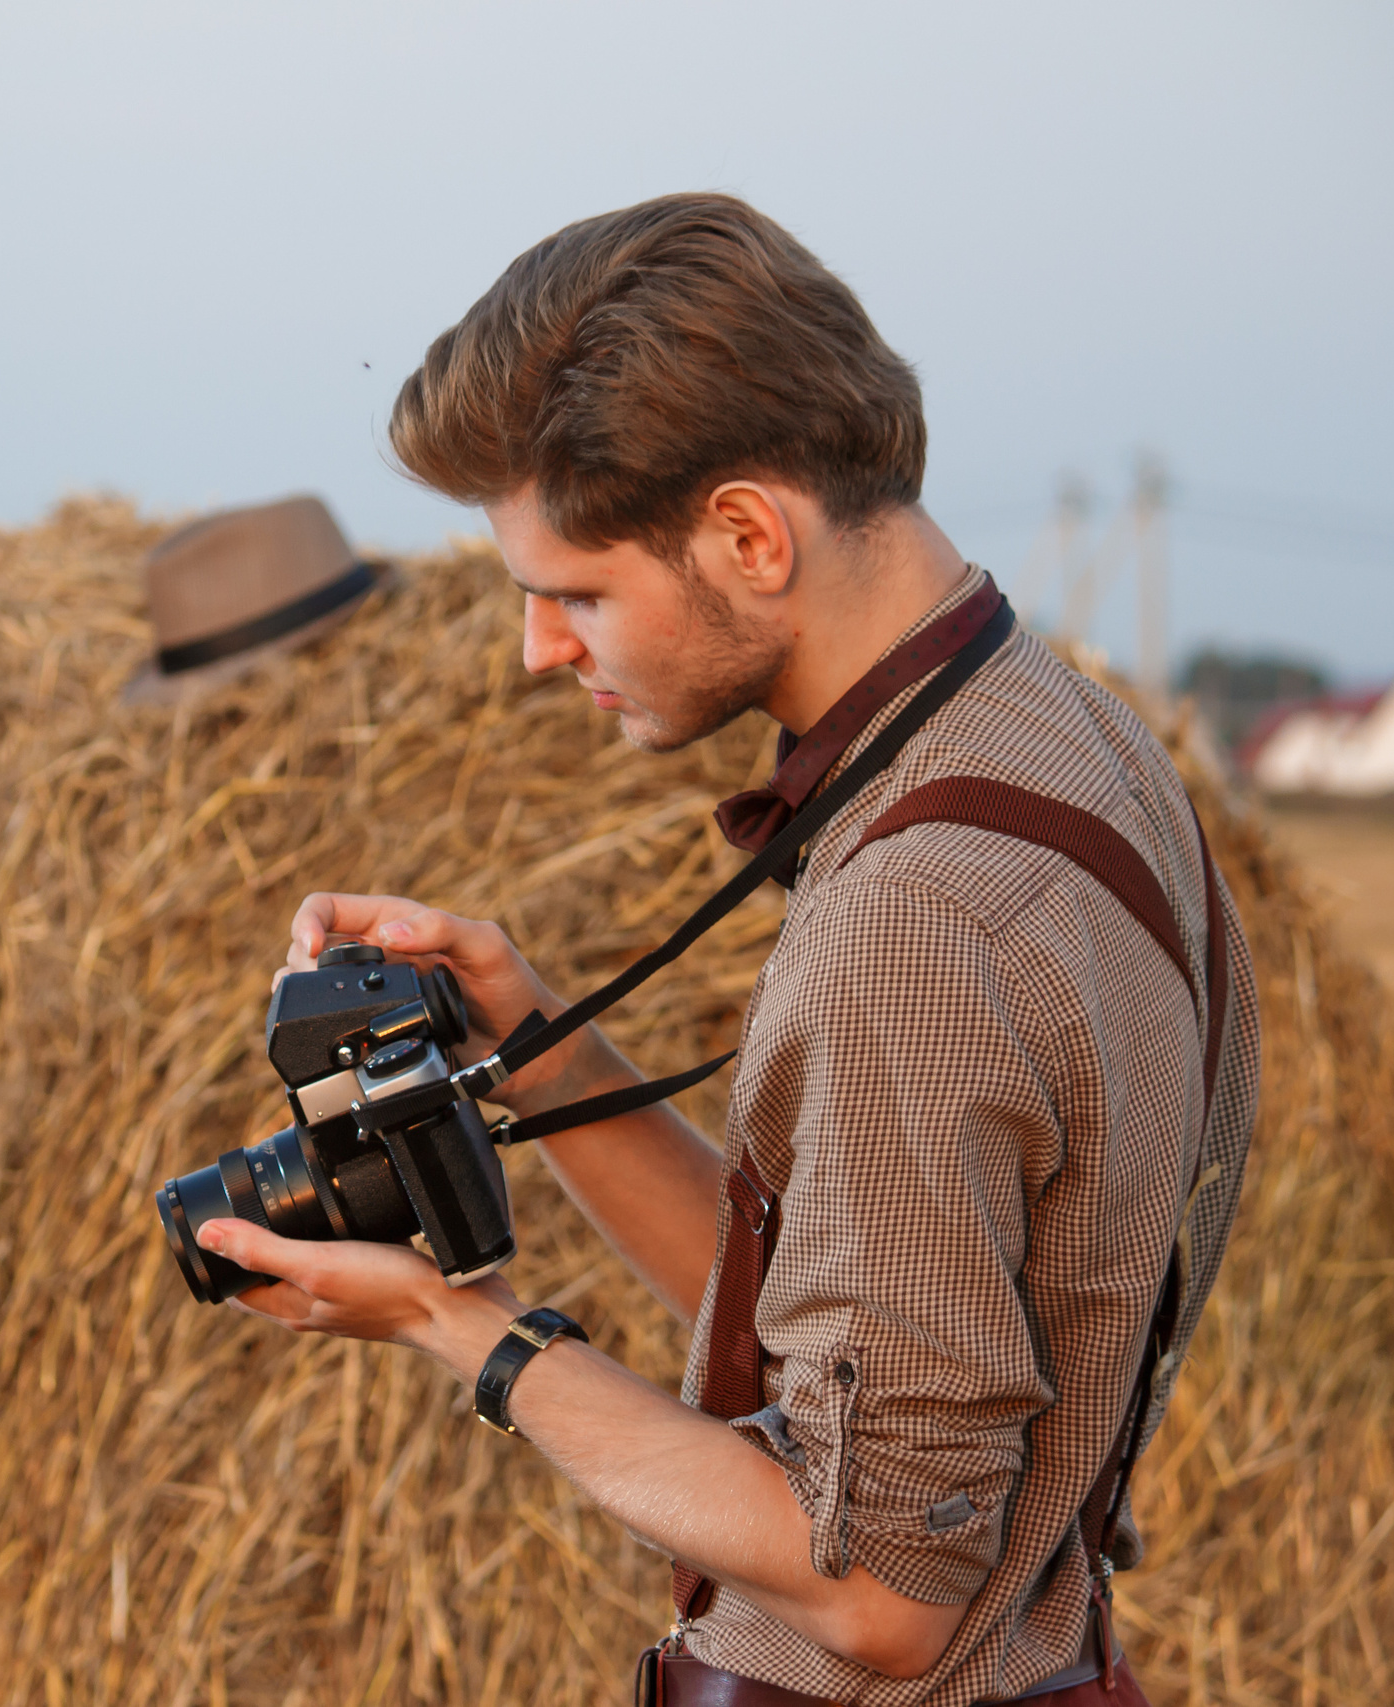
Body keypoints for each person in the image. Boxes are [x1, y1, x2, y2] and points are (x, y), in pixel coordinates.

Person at [191, 194, 1258, 1705]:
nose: (538, 650)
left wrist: (454, 1324)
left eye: (574, 592)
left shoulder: (922, 912)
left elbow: (879, 1589)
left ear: (750, 536)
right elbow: (832, 1313)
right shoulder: (1064, 742)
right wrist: (533, 1038)